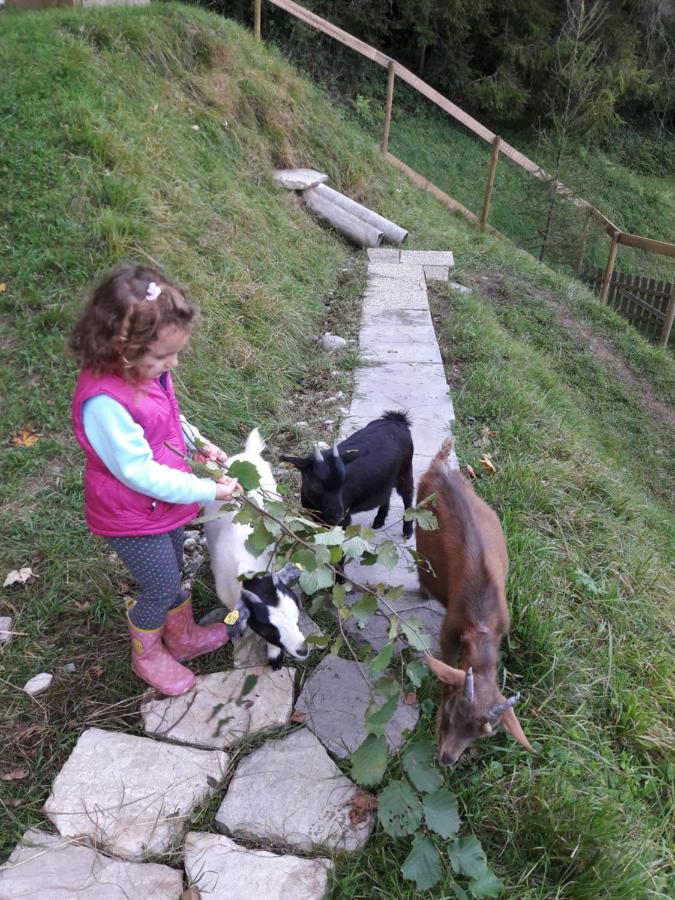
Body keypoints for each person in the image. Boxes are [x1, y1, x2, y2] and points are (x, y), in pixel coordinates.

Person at [70, 263, 241, 697]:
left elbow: (168, 418)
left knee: (175, 565)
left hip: (156, 506)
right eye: (163, 356)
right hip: (129, 513)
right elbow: (138, 473)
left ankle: (180, 637)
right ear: (119, 347)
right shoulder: (105, 404)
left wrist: (196, 444)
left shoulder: (145, 373)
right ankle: (146, 653)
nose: (174, 363)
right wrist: (207, 490)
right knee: (159, 584)